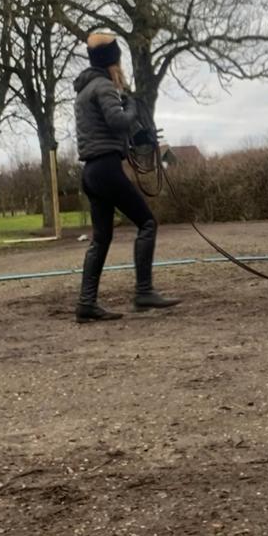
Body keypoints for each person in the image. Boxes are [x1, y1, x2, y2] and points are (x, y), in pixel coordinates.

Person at [73, 31, 179, 322]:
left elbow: (106, 131)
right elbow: (118, 120)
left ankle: (86, 303)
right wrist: (131, 104)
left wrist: (135, 137)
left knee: (101, 238)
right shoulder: (104, 87)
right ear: (112, 61)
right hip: (107, 169)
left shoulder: (83, 91)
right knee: (147, 222)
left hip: (91, 172)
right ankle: (143, 291)